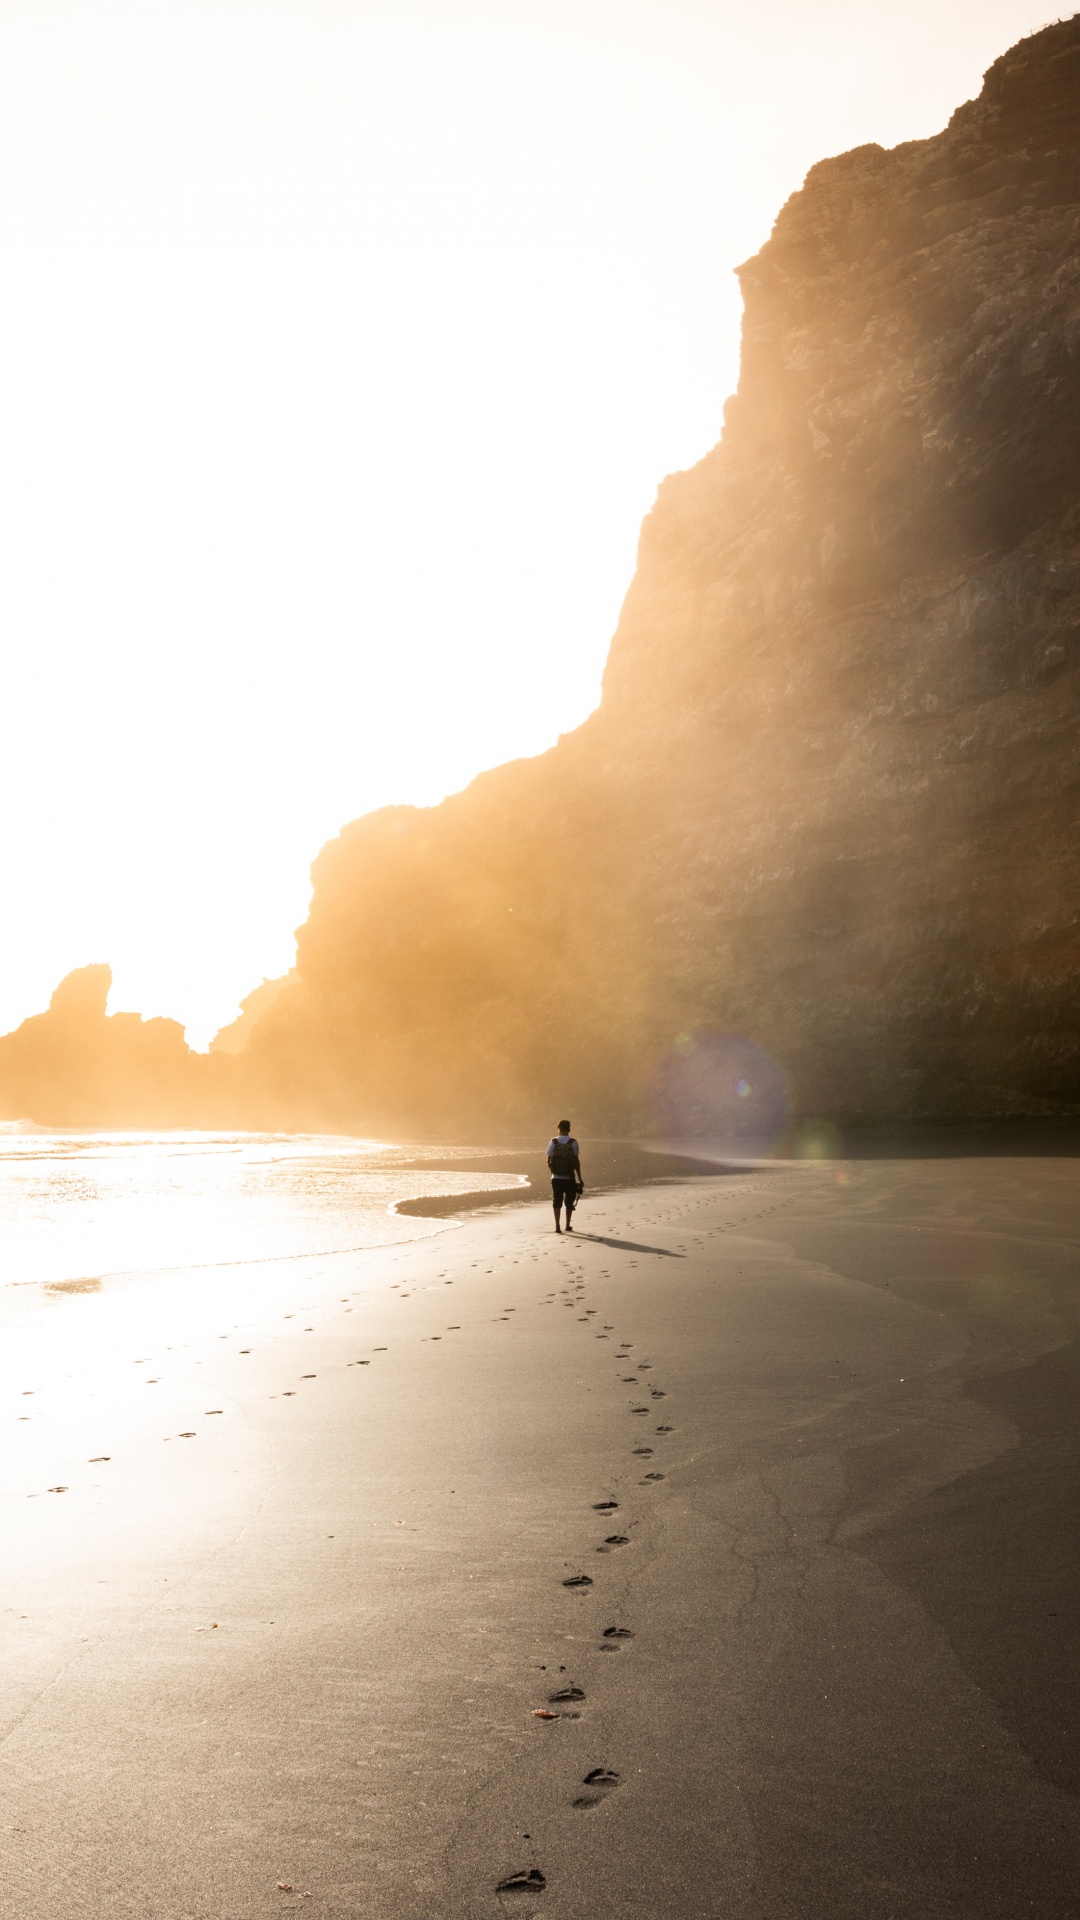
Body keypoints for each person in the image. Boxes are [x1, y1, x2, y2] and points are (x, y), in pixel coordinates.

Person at [547, 1121, 583, 1232]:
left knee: (557, 1201)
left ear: (558, 1128)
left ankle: (557, 1226)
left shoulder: (553, 1142)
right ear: (569, 1129)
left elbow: (548, 1160)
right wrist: (580, 1178)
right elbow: (576, 1162)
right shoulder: (573, 1142)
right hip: (569, 1178)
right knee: (569, 1201)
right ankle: (567, 1225)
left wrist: (554, 1171)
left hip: (556, 1178)